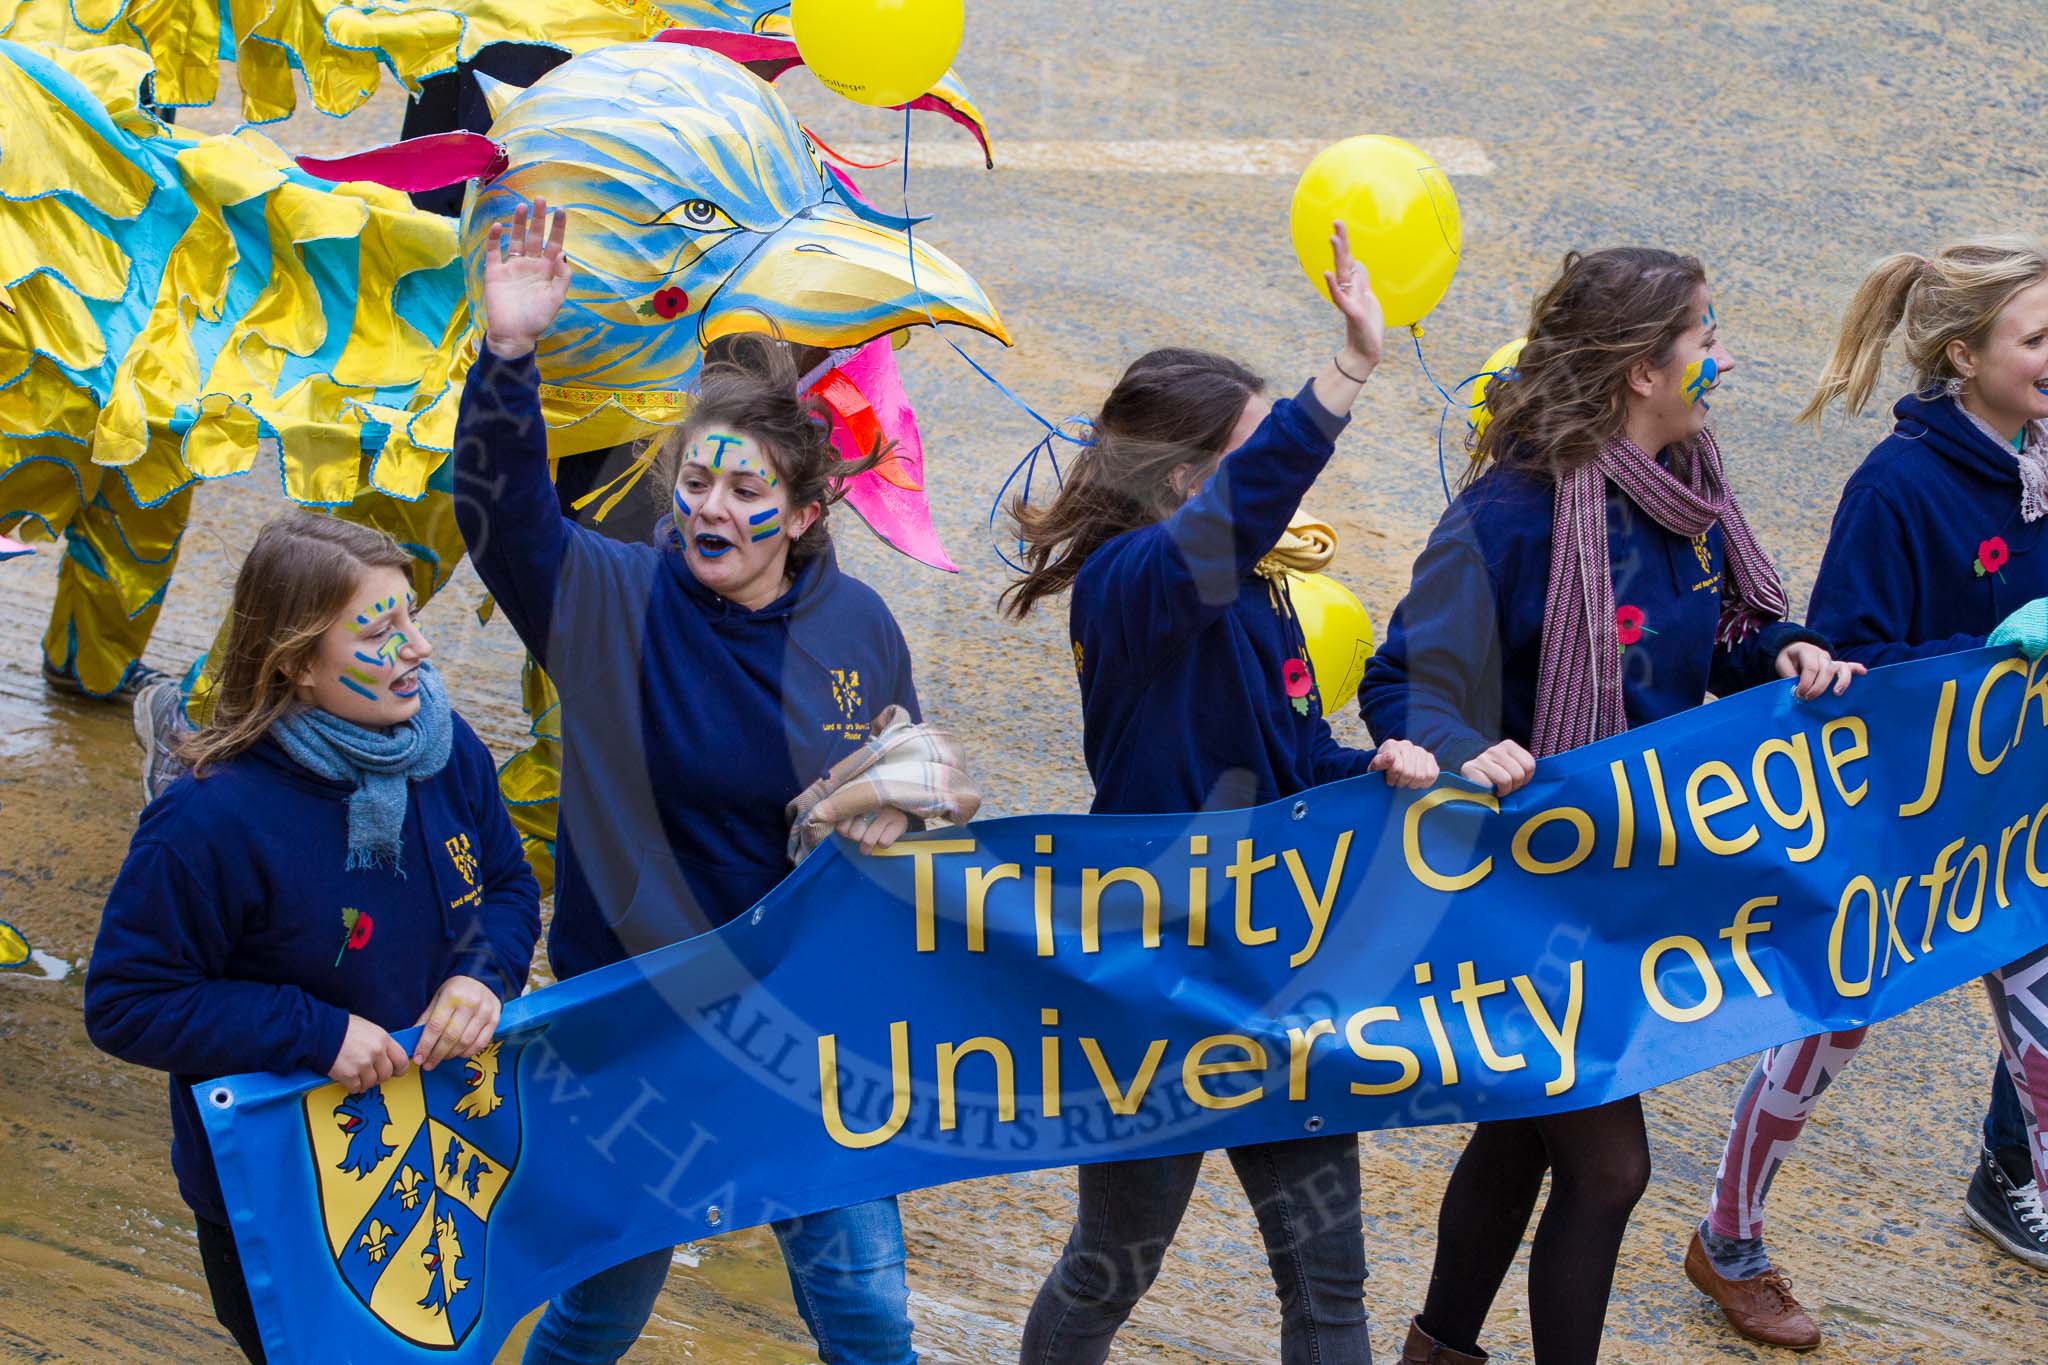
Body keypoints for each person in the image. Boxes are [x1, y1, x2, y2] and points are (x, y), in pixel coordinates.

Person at [456, 201, 960, 1365]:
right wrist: (508, 356)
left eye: (743, 494)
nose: (709, 510)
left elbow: (901, 789)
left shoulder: (859, 623)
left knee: (865, 1313)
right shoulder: (611, 603)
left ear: (804, 510)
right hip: (634, 1020)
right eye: (696, 483)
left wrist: (900, 804)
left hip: (804, 1028)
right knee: (598, 1307)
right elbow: (501, 520)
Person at [1357, 247, 1861, 1365]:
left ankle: (1435, 1350)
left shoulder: (1685, 493)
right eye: (1701, 335)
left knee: (1523, 1140)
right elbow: (1396, 682)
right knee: (1606, 1165)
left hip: (1620, 886)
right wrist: (1459, 744)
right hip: (1513, 894)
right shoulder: (1509, 516)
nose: (1718, 357)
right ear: (1641, 368)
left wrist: (1781, 651)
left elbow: (1715, 640)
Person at [1002, 222, 1438, 1365]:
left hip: (1276, 974)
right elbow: (1244, 512)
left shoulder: (1251, 593)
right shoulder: (1131, 586)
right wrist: (1344, 371)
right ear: (1195, 486)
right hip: (1157, 986)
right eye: (1246, 463)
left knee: (1329, 1289)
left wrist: (1379, 770)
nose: (1266, 490)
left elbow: (1293, 763)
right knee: (1110, 1273)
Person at [1685, 234, 2048, 1349]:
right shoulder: (1896, 486)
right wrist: (1994, 653)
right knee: (1819, 1038)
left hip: (2018, 824)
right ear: (1960, 353)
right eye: (2036, 337)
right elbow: (1848, 661)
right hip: (1901, 828)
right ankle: (1727, 1239)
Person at [83, 513, 542, 1363]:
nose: (420, 649)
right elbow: (125, 1002)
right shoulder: (208, 821)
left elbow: (509, 888)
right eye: (380, 630)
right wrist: (315, 1033)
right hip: (280, 1182)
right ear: (295, 661)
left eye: (413, 616)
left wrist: (482, 975)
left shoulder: (447, 750)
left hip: (438, 1147)